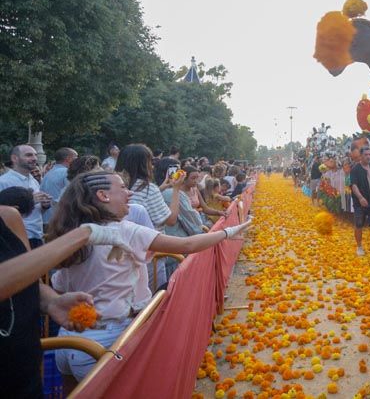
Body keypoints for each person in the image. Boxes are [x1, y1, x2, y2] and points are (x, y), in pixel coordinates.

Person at [46, 170, 251, 381]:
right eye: (123, 188)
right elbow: (187, 245)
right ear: (103, 196)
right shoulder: (125, 231)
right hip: (109, 341)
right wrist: (229, 231)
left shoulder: (70, 234)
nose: (129, 194)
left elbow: (59, 287)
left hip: (70, 339)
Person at [0, 204, 120, 398]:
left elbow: (28, 280)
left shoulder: (8, 217)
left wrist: (51, 301)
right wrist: (83, 234)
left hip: (24, 372)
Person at [117, 144, 183, 232]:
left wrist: (161, 187)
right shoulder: (148, 189)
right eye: (150, 162)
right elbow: (171, 220)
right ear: (143, 165)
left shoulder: (114, 186)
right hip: (149, 242)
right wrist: (176, 189)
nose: (152, 166)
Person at [0, 145, 51, 248]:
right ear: (15, 158)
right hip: (16, 238)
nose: (34, 158)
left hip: (37, 235)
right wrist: (30, 200)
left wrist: (44, 205)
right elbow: (3, 212)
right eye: (29, 155)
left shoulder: (33, 180)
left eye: (35, 155)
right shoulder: (3, 181)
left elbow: (36, 211)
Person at [350, 146, 370, 257]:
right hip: (360, 203)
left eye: (369, 155)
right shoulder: (355, 169)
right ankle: (359, 246)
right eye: (366, 155)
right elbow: (354, 186)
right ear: (361, 156)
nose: (368, 157)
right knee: (359, 225)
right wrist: (360, 198)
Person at [40, 147, 78, 226]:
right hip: (58, 220)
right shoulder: (66, 172)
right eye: (76, 157)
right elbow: (71, 194)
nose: (78, 160)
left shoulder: (49, 173)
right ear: (68, 158)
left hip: (46, 218)